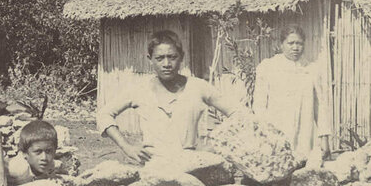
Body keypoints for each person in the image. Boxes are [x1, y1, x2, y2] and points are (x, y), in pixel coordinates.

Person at [101, 31, 240, 165]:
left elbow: (238, 112)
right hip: (153, 166)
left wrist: (214, 144)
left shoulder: (198, 87)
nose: (166, 64)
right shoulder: (139, 90)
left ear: (181, 57)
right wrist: (127, 147)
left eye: (172, 57)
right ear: (150, 59)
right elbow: (104, 114)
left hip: (190, 166)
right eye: (159, 58)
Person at [253, 26, 326, 166]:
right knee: (276, 167)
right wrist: (264, 134)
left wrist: (324, 137)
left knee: (301, 168)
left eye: (299, 43)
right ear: (281, 44)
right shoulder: (268, 68)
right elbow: (259, 105)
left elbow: (320, 106)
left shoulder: (311, 70)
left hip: (304, 134)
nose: (295, 48)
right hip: (276, 134)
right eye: (291, 43)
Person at [7, 119, 60, 186]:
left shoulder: (50, 165)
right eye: (38, 152)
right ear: (24, 153)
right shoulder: (17, 170)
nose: (44, 157)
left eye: (48, 151)